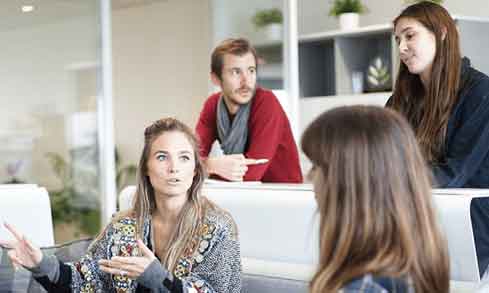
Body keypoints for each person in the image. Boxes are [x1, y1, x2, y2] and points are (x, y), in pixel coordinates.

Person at [0, 118, 241, 292]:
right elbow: (86, 282)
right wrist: (41, 264)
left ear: (195, 170)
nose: (174, 167)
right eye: (161, 157)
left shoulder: (218, 228)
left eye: (184, 157)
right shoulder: (123, 227)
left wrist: (157, 278)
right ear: (146, 169)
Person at [387, 1, 489, 275]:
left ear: (442, 33)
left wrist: (388, 181)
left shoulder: (481, 92)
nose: (402, 48)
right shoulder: (400, 99)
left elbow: (453, 173)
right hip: (415, 219)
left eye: (410, 36)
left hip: (471, 227)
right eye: (398, 39)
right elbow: (380, 156)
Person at [302, 105, 450, 293]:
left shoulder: (362, 289)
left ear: (350, 182)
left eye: (316, 166)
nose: (309, 177)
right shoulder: (410, 273)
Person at [195, 38, 303, 183]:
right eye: (235, 72)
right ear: (216, 79)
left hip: (282, 195)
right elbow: (190, 158)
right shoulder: (212, 105)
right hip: (243, 195)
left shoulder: (266, 102)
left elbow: (251, 173)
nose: (246, 82)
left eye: (251, 71)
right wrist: (212, 164)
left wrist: (208, 166)